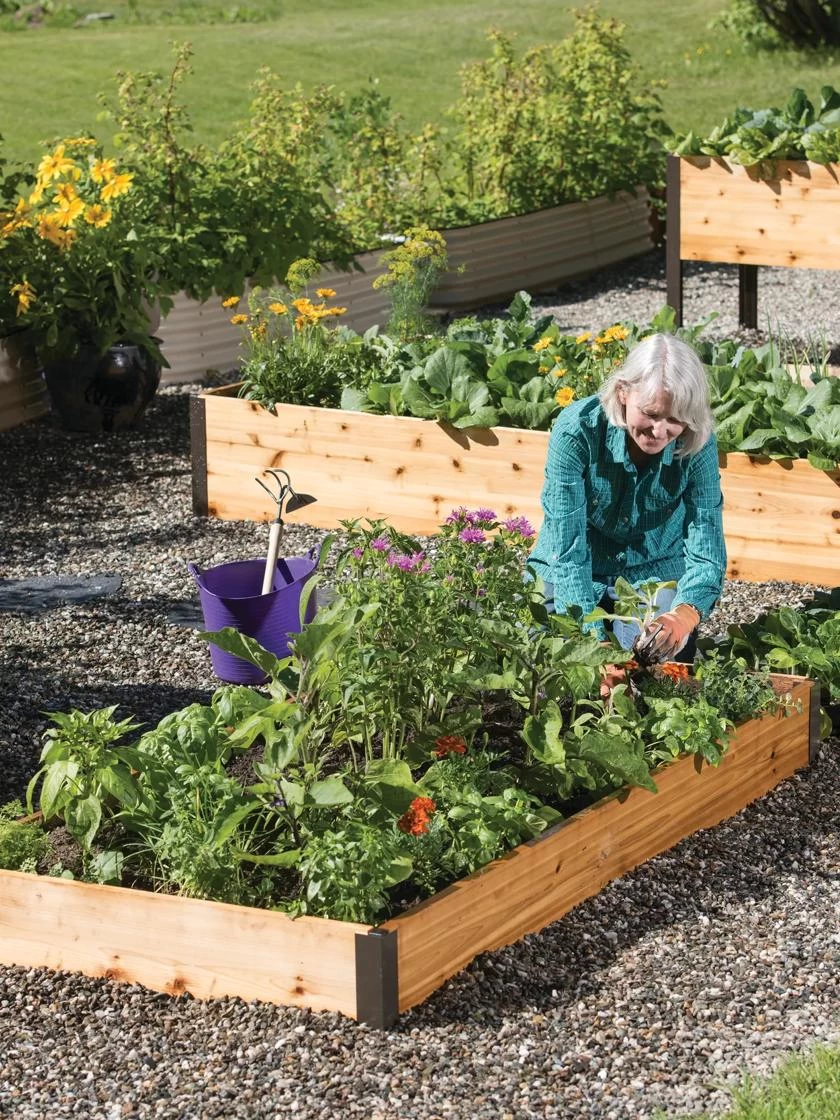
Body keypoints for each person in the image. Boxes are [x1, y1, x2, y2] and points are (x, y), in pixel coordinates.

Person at [528, 332, 726, 678]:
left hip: (652, 571)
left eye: (674, 420)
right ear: (623, 392)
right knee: (548, 667)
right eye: (650, 413)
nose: (659, 431)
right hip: (573, 569)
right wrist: (594, 648)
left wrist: (683, 615)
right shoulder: (577, 432)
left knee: (656, 668)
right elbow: (568, 551)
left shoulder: (697, 444)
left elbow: (706, 548)